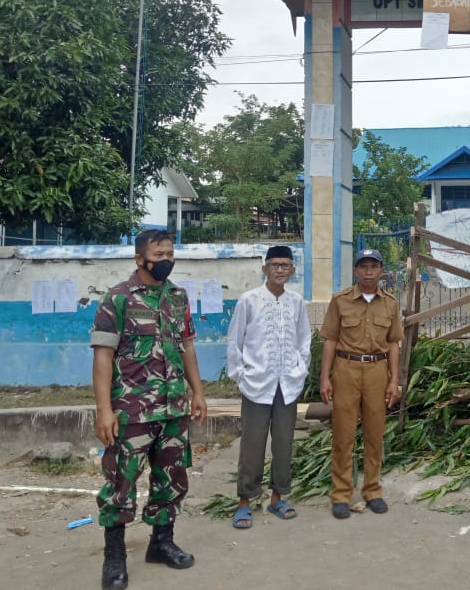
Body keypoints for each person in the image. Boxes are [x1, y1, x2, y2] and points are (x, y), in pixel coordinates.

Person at [90, 229, 207, 590]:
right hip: (131, 412)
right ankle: (114, 559)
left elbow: (186, 346)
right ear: (140, 258)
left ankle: (161, 543)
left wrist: (198, 392)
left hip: (173, 409)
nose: (167, 259)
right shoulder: (118, 299)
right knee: (121, 485)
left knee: (171, 480)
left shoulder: (177, 296)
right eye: (159, 254)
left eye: (171, 252)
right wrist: (104, 410)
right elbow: (103, 355)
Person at [226, 245, 311, 529]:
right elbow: (235, 342)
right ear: (264, 269)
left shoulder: (297, 302)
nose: (279, 270)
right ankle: (245, 502)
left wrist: (300, 370)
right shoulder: (248, 301)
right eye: (274, 264)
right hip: (256, 385)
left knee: (284, 443)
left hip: (287, 385)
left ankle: (277, 498)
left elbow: (304, 341)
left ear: (292, 270)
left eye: (285, 265)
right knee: (252, 445)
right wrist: (241, 376)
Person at [319, 248, 403, 519]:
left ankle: (372, 490)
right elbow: (330, 339)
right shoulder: (340, 301)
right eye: (363, 266)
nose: (368, 272)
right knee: (343, 434)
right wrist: (325, 377)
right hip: (346, 369)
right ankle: (341, 494)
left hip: (377, 371)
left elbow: (393, 343)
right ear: (356, 270)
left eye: (373, 267)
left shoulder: (390, 303)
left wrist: (394, 381)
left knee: (374, 433)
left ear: (381, 271)